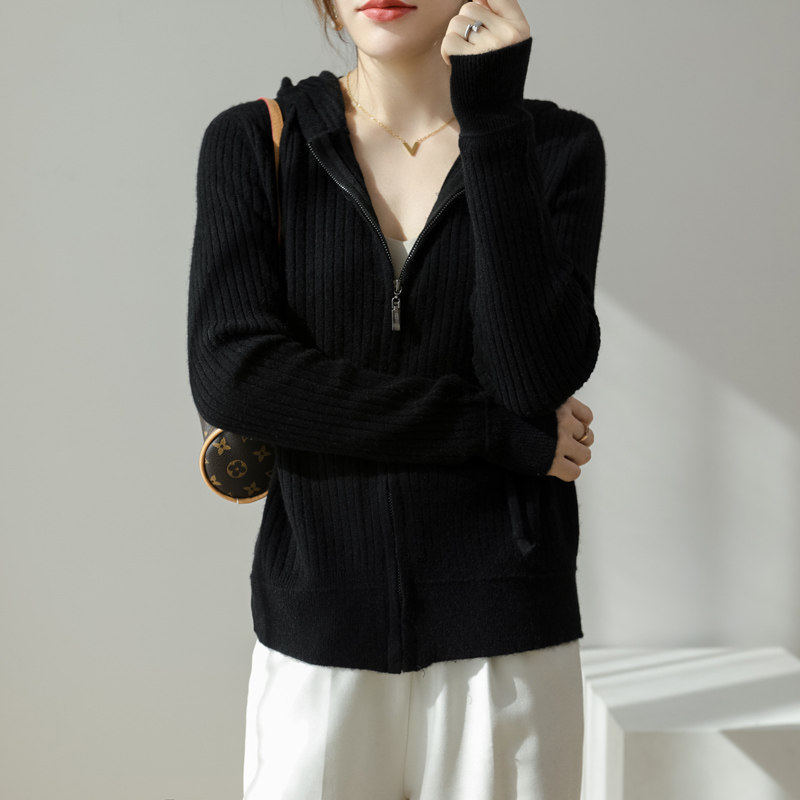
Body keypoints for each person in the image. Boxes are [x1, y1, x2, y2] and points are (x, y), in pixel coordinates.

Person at [187, 0, 606, 797]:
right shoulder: (255, 142)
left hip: (507, 637)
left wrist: (491, 124)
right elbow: (235, 375)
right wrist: (497, 432)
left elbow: (531, 377)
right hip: (319, 635)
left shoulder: (552, 148)